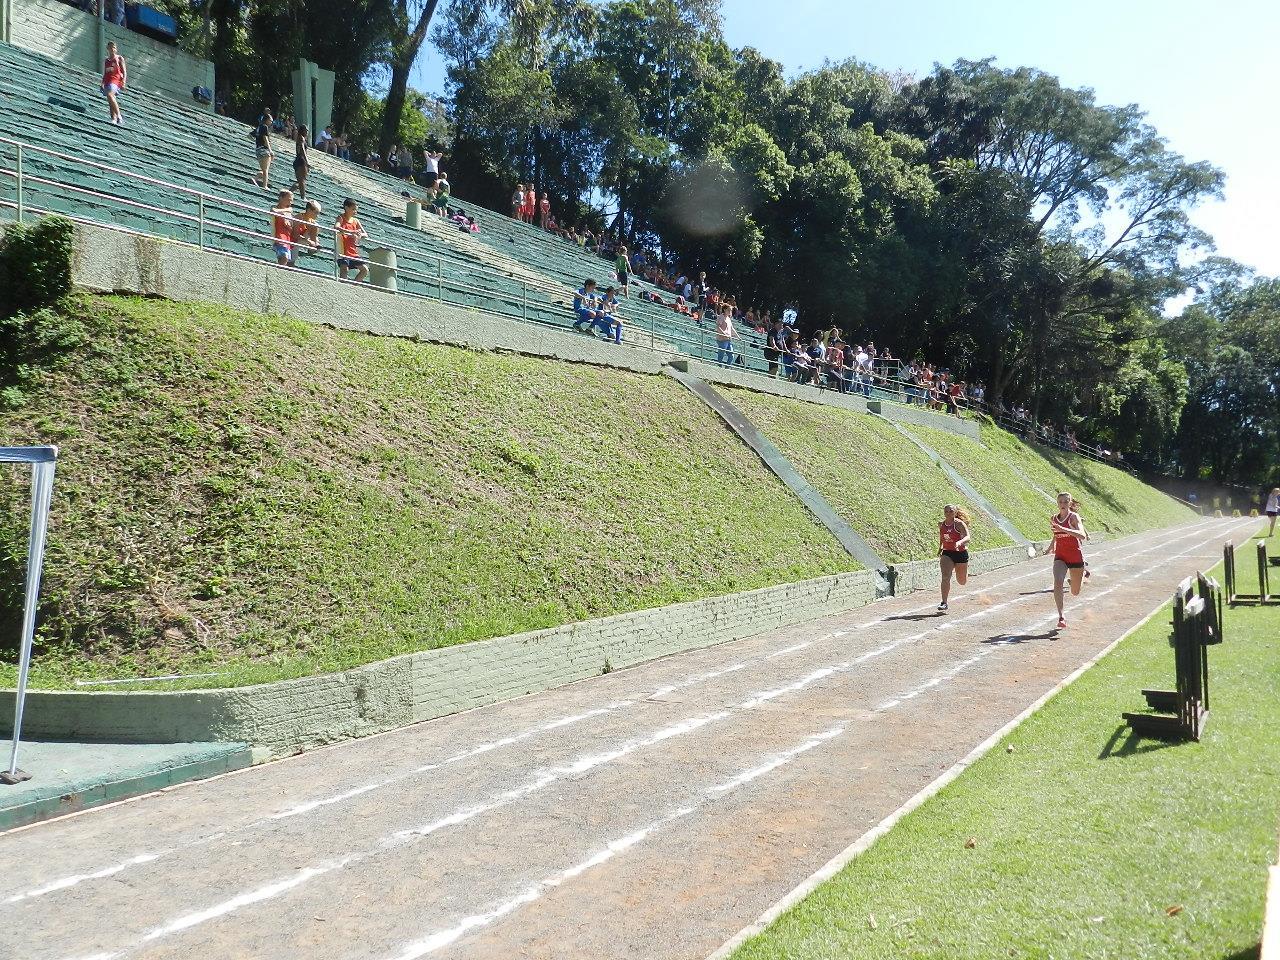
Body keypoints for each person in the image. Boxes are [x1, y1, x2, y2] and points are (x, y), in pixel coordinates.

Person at [1046, 492, 1087, 629]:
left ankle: (1079, 580)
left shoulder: (1074, 517)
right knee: (1057, 581)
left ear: (1069, 504)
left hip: (1075, 556)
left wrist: (1063, 528)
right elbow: (1056, 534)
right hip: (1061, 556)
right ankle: (1061, 616)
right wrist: (1051, 547)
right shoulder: (1053, 518)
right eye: (1060, 502)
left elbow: (1082, 535)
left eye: (1065, 502)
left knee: (1075, 592)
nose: (1062, 504)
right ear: (1057, 504)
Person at [937, 504, 971, 612]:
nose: (948, 513)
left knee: (962, 581)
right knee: (945, 576)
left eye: (951, 511)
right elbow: (942, 537)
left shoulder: (959, 524)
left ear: (955, 512)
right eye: (946, 511)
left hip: (960, 553)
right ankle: (944, 602)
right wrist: (940, 548)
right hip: (947, 553)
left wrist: (959, 542)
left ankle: (961, 570)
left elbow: (967, 537)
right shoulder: (942, 524)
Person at [335, 198, 369, 282]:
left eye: (356, 210)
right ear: (346, 208)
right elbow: (336, 227)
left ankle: (353, 286)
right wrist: (351, 232)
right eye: (353, 209)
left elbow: (366, 234)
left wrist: (360, 234)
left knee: (364, 270)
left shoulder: (356, 221)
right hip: (343, 250)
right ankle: (342, 286)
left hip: (353, 251)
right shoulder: (341, 217)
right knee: (344, 269)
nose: (355, 212)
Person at [100, 41, 127, 126]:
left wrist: (124, 81)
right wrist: (102, 83)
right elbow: (105, 73)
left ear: (116, 49)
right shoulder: (106, 61)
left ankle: (119, 116)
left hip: (116, 80)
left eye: (114, 47)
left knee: (110, 95)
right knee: (110, 100)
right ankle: (113, 119)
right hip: (108, 80)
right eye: (110, 47)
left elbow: (124, 71)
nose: (112, 49)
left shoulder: (119, 58)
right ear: (107, 49)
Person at [269, 190, 295, 266]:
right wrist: (283, 212)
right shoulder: (275, 207)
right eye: (288, 200)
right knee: (284, 257)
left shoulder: (289, 211)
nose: (290, 202)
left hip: (287, 238)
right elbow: (273, 210)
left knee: (284, 259)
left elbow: (290, 226)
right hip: (279, 237)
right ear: (281, 198)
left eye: (291, 201)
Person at [252, 110, 274, 189]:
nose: (271, 122)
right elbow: (265, 138)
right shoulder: (264, 127)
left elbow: (249, 136)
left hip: (258, 149)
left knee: (264, 168)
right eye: (271, 120)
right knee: (266, 170)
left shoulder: (258, 128)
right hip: (264, 149)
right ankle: (265, 186)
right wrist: (270, 150)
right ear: (267, 120)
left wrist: (257, 141)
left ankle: (255, 178)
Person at [292, 125, 310, 199]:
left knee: (300, 181)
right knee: (302, 180)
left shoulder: (299, 138)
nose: (307, 132)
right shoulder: (301, 138)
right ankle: (303, 197)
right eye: (306, 130)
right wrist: (307, 161)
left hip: (298, 160)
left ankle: (289, 192)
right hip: (301, 160)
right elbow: (302, 150)